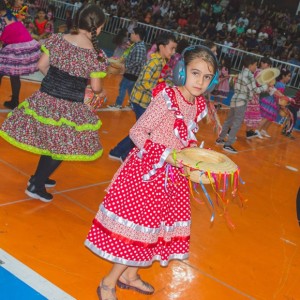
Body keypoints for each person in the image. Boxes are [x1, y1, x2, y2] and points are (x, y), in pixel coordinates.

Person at [85, 45, 218, 300]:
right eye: (195, 73)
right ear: (182, 72)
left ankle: (130, 275)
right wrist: (165, 155)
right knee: (139, 229)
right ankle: (108, 281)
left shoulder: (196, 104)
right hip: (147, 173)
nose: (200, 81)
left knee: (153, 230)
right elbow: (137, 132)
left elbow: (184, 137)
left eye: (206, 76)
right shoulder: (167, 98)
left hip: (172, 178)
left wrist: (192, 158)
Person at [0, 4, 108, 202]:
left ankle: (39, 177)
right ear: (99, 27)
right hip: (70, 105)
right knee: (63, 145)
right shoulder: (96, 54)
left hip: (47, 98)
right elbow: (96, 87)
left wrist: (56, 82)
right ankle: (36, 185)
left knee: (52, 141)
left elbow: (41, 65)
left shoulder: (58, 39)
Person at [108, 32, 177, 162]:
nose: (173, 52)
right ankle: (124, 155)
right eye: (171, 48)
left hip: (144, 100)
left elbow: (155, 80)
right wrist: (158, 90)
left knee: (141, 129)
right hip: (140, 100)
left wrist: (163, 83)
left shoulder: (162, 61)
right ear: (162, 47)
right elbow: (145, 82)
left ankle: (117, 152)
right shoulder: (155, 63)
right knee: (143, 130)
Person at [215, 55, 269, 154]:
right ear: (251, 65)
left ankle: (220, 139)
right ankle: (228, 144)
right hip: (242, 101)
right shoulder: (249, 76)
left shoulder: (241, 73)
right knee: (237, 123)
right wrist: (264, 87)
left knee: (228, 121)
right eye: (255, 65)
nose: (256, 67)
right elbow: (255, 90)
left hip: (235, 99)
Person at [0, 0, 40, 109]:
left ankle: (14, 101)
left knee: (4, 72)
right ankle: (14, 101)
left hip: (16, 46)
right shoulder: (8, 14)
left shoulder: (1, 20)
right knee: (14, 75)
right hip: (23, 44)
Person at [107, 27, 146, 110]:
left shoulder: (139, 47)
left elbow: (137, 61)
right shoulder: (137, 45)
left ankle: (118, 104)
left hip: (132, 72)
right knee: (130, 89)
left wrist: (126, 67)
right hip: (132, 72)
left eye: (132, 33)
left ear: (137, 35)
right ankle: (132, 104)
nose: (130, 35)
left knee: (123, 87)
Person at [244, 56, 272, 139]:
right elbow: (257, 83)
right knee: (244, 114)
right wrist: (266, 87)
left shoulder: (260, 72)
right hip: (251, 95)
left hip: (255, 96)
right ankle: (230, 130)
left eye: (269, 66)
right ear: (262, 63)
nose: (268, 67)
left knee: (251, 114)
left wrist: (266, 87)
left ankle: (249, 131)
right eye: (268, 65)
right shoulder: (259, 72)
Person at [258, 68, 292, 138]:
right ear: (283, 76)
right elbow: (276, 95)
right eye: (288, 76)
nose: (289, 78)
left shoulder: (282, 84)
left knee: (271, 118)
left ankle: (263, 130)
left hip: (275, 103)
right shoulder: (280, 84)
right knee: (267, 117)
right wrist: (282, 104)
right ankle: (257, 130)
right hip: (272, 102)